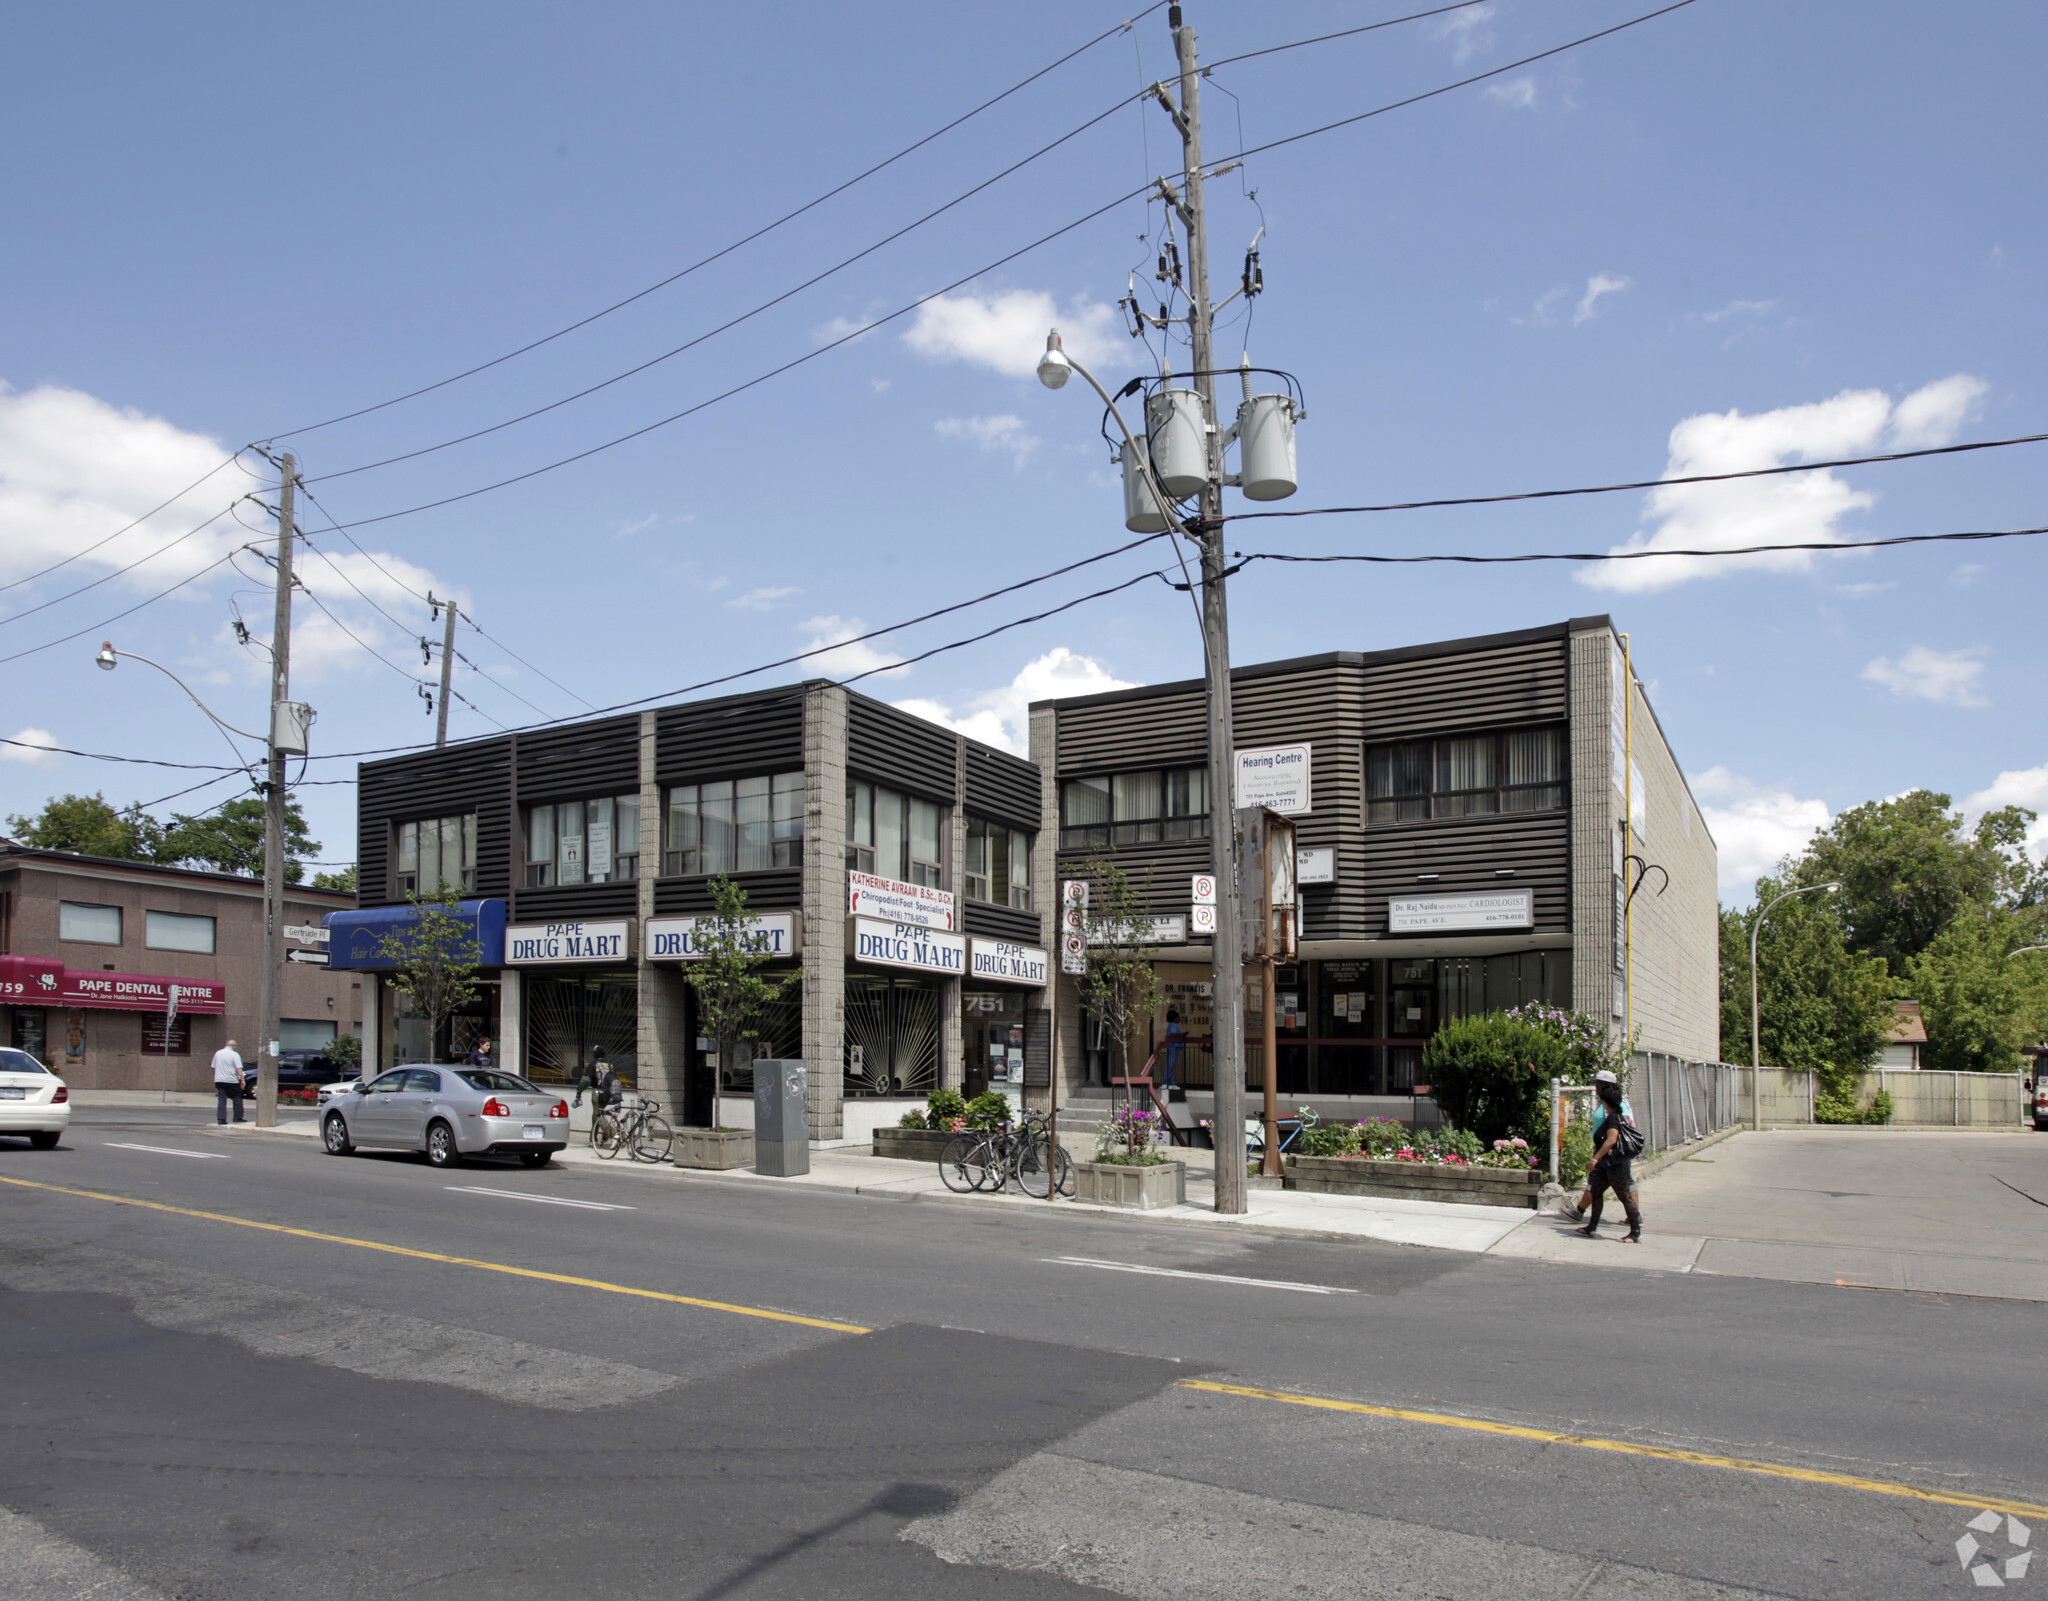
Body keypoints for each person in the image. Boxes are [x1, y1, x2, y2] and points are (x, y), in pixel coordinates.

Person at [1577, 1074, 1644, 1243]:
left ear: (1607, 1103)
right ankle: (1591, 1227)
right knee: (1596, 1192)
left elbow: (1611, 1140)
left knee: (1624, 1196)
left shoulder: (1613, 1118)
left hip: (1613, 1164)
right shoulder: (1615, 1116)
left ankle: (1635, 1232)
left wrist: (1595, 1159)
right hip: (1606, 1165)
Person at [1562, 1070, 1634, 1222]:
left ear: (1607, 1086)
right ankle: (1633, 1218)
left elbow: (1621, 1125)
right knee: (1620, 1184)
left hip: (1610, 1152)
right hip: (1607, 1150)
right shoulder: (1606, 1102)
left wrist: (1597, 1156)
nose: (1596, 1087)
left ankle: (1580, 1212)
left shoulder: (1616, 1104)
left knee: (1602, 1183)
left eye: (1599, 1084)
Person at [212, 1039, 246, 1125]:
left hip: (219, 1079)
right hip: (231, 1080)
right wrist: (242, 1079)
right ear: (234, 1047)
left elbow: (214, 1066)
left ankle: (221, 1119)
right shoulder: (235, 1054)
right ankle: (238, 1117)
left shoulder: (218, 1053)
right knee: (237, 1098)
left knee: (221, 1099)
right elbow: (239, 1069)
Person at [1161, 1009, 1187, 1097]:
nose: (1179, 1018)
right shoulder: (1173, 1025)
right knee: (1170, 1065)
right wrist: (1182, 1035)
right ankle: (1165, 1082)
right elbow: (1173, 1034)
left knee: (1171, 1066)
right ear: (1174, 1018)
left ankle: (1171, 1083)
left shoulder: (1172, 1025)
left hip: (1174, 1047)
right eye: (1178, 1017)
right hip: (1173, 1047)